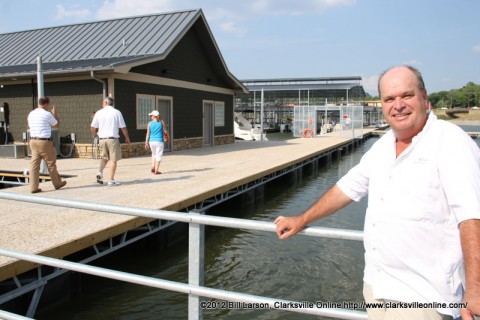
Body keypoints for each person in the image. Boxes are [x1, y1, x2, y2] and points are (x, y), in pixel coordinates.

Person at [275, 65, 480, 320]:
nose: (398, 105)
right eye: (389, 99)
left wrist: (475, 289)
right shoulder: (383, 145)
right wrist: (302, 219)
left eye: (407, 95)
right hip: (376, 288)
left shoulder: (450, 142)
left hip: (424, 298)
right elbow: (346, 188)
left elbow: (471, 218)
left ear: (424, 98)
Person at [27, 97, 67, 193]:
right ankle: (57, 183)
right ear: (46, 104)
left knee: (34, 165)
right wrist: (54, 114)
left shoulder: (31, 114)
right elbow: (56, 124)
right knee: (51, 163)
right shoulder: (47, 114)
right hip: (44, 141)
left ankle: (33, 187)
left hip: (33, 141)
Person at [90, 97, 130, 186]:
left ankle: (100, 173)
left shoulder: (99, 113)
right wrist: (127, 137)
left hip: (102, 139)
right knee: (113, 160)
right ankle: (111, 180)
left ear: (105, 103)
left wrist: (94, 135)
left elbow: (93, 126)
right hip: (112, 139)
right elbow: (123, 127)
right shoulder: (117, 112)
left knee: (104, 158)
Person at [144, 110, 167, 175]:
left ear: (154, 116)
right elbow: (165, 131)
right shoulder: (161, 122)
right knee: (158, 155)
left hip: (151, 141)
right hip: (159, 141)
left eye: (151, 115)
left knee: (154, 154)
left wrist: (146, 142)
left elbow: (148, 133)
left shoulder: (149, 123)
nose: (150, 116)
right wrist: (167, 137)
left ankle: (153, 166)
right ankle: (156, 170)